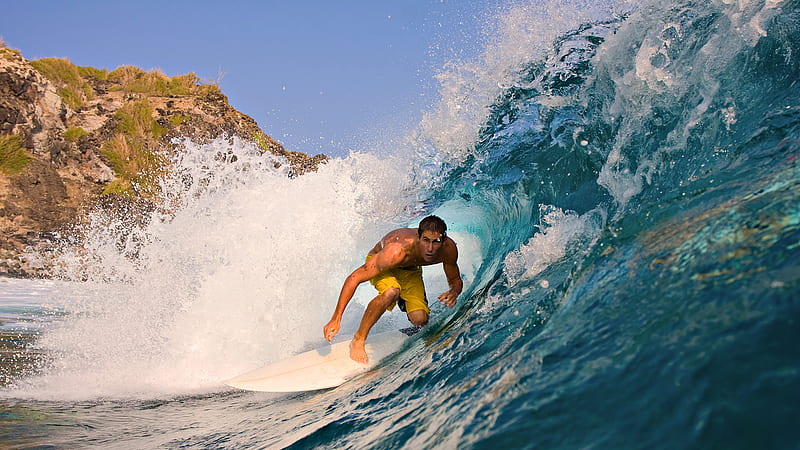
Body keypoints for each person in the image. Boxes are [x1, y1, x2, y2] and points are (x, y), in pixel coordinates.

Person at [323, 215, 463, 363]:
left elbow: (455, 280)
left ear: (444, 240)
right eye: (426, 240)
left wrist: (453, 292)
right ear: (418, 237)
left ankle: (405, 302)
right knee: (391, 291)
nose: (430, 248)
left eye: (436, 242)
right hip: (385, 266)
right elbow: (354, 278)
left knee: (420, 319)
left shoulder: (448, 249)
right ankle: (358, 339)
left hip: (410, 270)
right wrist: (336, 318)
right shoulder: (396, 251)